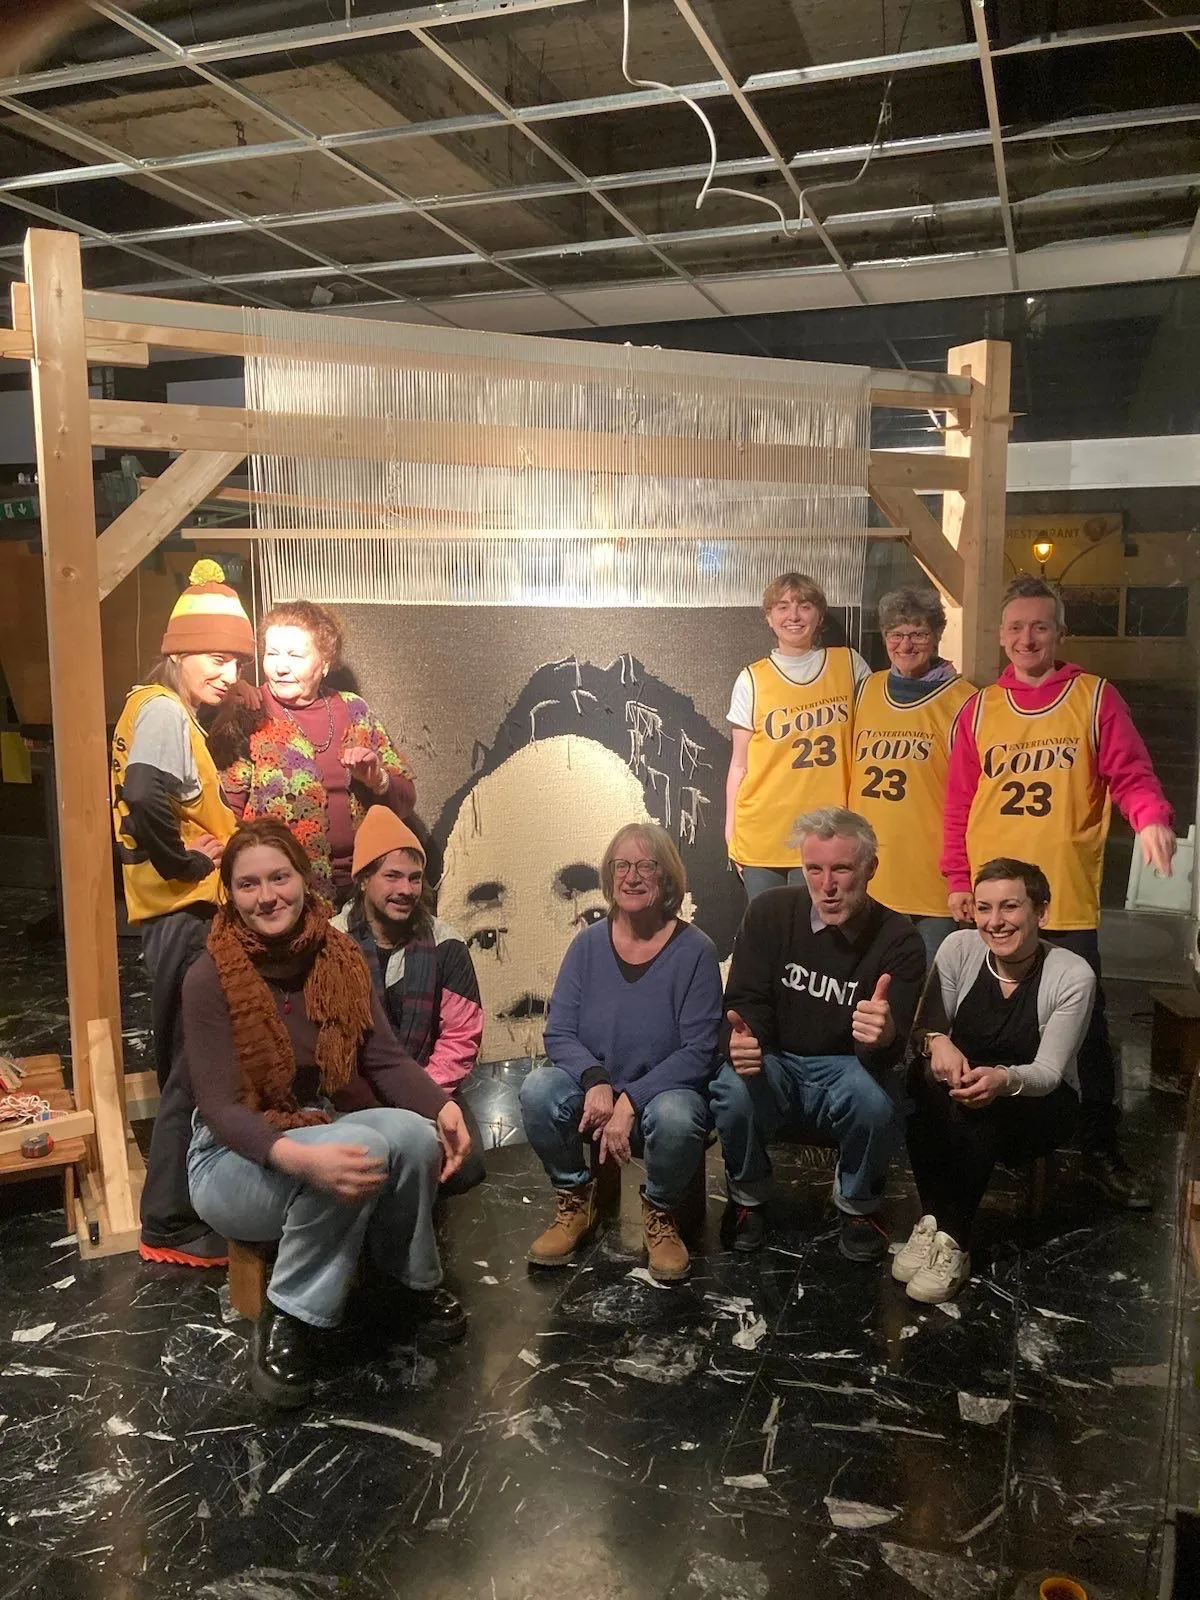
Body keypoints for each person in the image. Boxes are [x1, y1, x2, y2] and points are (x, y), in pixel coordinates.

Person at [183, 819, 472, 1409]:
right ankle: (289, 1315)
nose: (267, 896)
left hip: (318, 1122)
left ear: (304, 878)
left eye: (280, 877)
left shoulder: (341, 957)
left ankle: (406, 1284)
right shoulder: (208, 975)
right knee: (347, 1156)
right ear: (230, 895)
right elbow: (219, 1108)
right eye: (248, 884)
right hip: (230, 1155)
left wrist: (442, 1108)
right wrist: (297, 1157)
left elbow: (384, 1059)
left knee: (415, 1136)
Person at [941, 574, 1175, 1209]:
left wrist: (1150, 817)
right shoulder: (979, 709)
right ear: (1000, 635)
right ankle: (984, 1131)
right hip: (993, 905)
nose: (1027, 638)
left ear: (1059, 633)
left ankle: (1100, 1148)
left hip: (1061, 898)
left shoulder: (1093, 698)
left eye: (1040, 626)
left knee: (1088, 1030)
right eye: (1016, 627)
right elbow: (959, 802)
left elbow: (1131, 774)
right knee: (981, 1018)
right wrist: (958, 879)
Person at [436, 656, 742, 1064]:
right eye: (487, 937)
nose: (530, 976)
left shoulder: (694, 953)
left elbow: (696, 1052)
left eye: (591, 914)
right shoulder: (585, 953)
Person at [110, 559, 255, 1268]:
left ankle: (181, 1206)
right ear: (178, 653)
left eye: (236, 661)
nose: (229, 674)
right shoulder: (165, 711)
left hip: (174, 918)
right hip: (187, 916)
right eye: (215, 658)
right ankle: (168, 1222)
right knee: (192, 1066)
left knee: (185, 1060)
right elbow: (143, 794)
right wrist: (187, 865)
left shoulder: (152, 709)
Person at [711, 806, 925, 1260]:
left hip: (849, 1065)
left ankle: (858, 1204)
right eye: (814, 869)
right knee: (731, 1086)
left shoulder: (899, 938)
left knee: (876, 1101)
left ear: (870, 869)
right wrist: (743, 1042)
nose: (827, 886)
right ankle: (747, 1198)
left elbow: (889, 1057)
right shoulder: (769, 912)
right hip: (779, 1058)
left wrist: (883, 1037)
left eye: (841, 869)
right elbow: (745, 1000)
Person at [520, 822, 722, 1283]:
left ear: (666, 877)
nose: (631, 877)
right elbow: (559, 1032)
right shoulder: (587, 944)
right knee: (538, 1089)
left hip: (666, 1092)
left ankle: (661, 1213)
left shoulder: (696, 951)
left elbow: (700, 1050)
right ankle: (577, 1200)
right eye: (621, 866)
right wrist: (596, 1080)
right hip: (598, 1087)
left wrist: (631, 1098)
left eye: (646, 866)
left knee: (677, 1116)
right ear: (610, 876)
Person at [896, 858, 1095, 1304]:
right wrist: (937, 1041)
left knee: (981, 1110)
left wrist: (1003, 1080)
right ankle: (932, 1220)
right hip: (968, 1084)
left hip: (1040, 1101)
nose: (994, 921)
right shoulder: (958, 948)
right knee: (920, 1081)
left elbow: (1049, 1073)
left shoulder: (1072, 974)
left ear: (1041, 911)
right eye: (984, 908)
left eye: (1010, 907)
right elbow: (925, 1027)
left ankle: (954, 1239)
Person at [212, 599, 415, 905]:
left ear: (325, 662)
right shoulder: (249, 712)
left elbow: (406, 800)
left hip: (362, 894)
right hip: (282, 901)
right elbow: (227, 815)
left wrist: (378, 780)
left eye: (295, 655)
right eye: (272, 653)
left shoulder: (355, 711)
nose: (280, 667)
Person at [333, 806, 487, 1195]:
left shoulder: (446, 944)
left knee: (465, 1166)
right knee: (365, 1167)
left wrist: (421, 1099)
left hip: (428, 1086)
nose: (406, 889)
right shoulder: (331, 944)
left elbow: (461, 1036)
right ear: (363, 879)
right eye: (392, 876)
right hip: (350, 1095)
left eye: (415, 878)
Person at [726, 572, 871, 901]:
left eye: (804, 606)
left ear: (819, 615)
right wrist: (731, 831)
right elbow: (739, 764)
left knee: (822, 928)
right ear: (769, 617)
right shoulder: (752, 678)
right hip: (763, 832)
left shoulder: (848, 665)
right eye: (782, 607)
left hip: (828, 834)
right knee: (770, 928)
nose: (793, 616)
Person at [849, 587, 975, 962]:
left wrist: (963, 875)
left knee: (931, 987)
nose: (906, 645)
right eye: (896, 634)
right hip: (872, 876)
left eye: (918, 633)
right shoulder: (866, 690)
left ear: (936, 635)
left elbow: (974, 795)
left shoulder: (965, 700)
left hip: (932, 879)